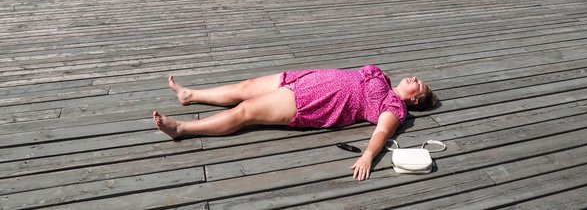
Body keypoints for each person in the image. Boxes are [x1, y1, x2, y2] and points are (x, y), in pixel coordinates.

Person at [152, 65, 439, 181]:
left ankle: (181, 129)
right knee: (246, 86)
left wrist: (367, 156)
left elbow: (383, 131)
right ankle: (190, 95)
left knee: (246, 111)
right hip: (306, 79)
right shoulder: (382, 78)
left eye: (419, 85)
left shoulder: (394, 107)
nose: (415, 79)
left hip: (313, 102)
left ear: (415, 101)